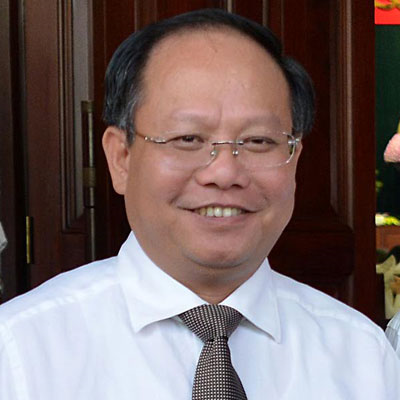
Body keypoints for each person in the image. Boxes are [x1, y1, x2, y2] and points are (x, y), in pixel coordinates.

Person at [1, 9, 399, 399]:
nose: (224, 173)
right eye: (188, 139)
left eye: (258, 141)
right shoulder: (20, 352)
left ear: (295, 159)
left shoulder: (361, 356)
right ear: (121, 158)